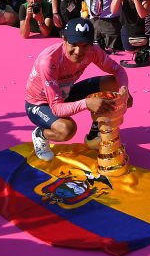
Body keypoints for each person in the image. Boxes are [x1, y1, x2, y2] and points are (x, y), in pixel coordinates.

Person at [25, 19, 130, 161]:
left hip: (65, 92)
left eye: (84, 45)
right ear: (64, 39)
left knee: (112, 84)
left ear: (91, 44)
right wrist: (87, 103)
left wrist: (124, 90)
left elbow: (118, 71)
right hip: (40, 104)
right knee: (67, 129)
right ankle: (41, 134)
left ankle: (95, 132)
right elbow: (56, 108)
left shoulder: (93, 51)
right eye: (73, 44)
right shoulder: (48, 61)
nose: (79, 51)